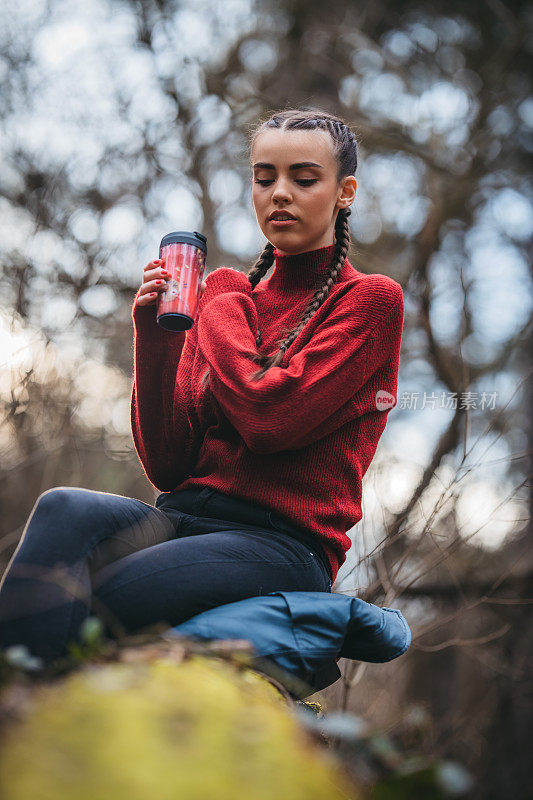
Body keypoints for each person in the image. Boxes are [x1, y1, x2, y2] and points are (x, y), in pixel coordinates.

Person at [0, 108, 404, 667]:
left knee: (89, 597)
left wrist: (218, 304)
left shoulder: (368, 302)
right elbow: (168, 464)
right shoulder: (231, 303)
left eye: (304, 179)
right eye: (265, 179)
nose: (279, 194)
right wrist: (157, 337)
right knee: (64, 508)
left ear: (345, 192)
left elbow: (270, 419)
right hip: (183, 516)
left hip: (279, 544)